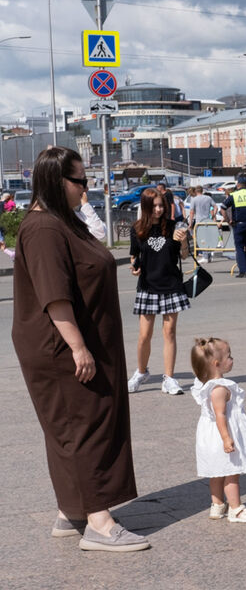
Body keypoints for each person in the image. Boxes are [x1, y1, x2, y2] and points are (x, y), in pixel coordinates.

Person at [13, 146, 148, 551]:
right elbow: (54, 296)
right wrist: (78, 347)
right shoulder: (44, 229)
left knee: (74, 429)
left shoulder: (63, 222)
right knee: (85, 427)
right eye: (80, 181)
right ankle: (99, 523)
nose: (86, 189)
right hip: (62, 347)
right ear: (58, 182)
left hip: (79, 343)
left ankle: (72, 510)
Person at [190, 337, 246, 523]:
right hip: (222, 435)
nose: (232, 359)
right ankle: (236, 509)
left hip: (210, 437)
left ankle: (217, 505)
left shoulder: (206, 385)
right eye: (229, 356)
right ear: (217, 364)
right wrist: (227, 438)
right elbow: (220, 415)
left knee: (217, 473)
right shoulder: (220, 389)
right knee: (232, 473)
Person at [126, 188, 191, 395]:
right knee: (145, 335)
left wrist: (182, 241)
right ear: (145, 207)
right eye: (154, 206)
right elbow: (134, 257)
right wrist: (135, 268)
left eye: (161, 205)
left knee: (169, 333)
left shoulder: (173, 227)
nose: (158, 209)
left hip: (171, 286)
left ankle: (169, 379)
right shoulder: (137, 229)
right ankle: (141, 372)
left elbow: (185, 256)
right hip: (148, 286)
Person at [188, 185, 219, 263]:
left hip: (199, 222)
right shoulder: (208, 198)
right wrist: (213, 215)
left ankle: (205, 256)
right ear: (202, 191)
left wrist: (190, 223)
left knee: (201, 239)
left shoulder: (194, 199)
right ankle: (208, 256)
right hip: (208, 220)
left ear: (195, 191)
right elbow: (216, 207)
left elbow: (191, 212)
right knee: (208, 238)